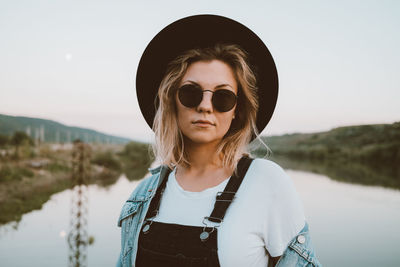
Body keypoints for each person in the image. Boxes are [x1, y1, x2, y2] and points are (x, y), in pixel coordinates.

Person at [117, 15, 321, 267]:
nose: (205, 106)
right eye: (191, 93)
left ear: (237, 109)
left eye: (222, 97)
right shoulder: (143, 195)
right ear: (172, 100)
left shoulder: (267, 183)